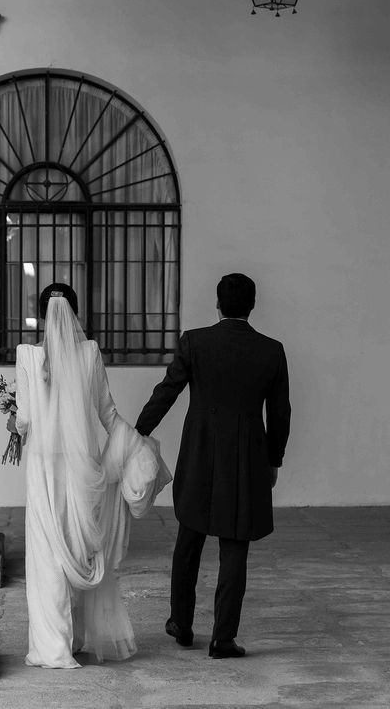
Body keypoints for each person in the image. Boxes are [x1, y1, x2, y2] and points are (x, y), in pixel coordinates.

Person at [9, 282, 171, 669]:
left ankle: (53, 647)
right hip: (82, 468)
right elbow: (108, 415)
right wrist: (135, 445)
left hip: (44, 470)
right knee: (77, 546)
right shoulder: (90, 353)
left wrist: (14, 423)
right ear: (76, 314)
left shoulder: (27, 356)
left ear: (42, 315)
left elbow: (27, 419)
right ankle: (77, 636)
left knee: (46, 554)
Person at [135, 272, 291, 659]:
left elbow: (166, 392)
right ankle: (223, 638)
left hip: (201, 454)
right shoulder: (271, 350)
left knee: (190, 538)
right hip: (247, 460)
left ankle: (181, 623)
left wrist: (137, 432)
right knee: (235, 546)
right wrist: (274, 460)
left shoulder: (195, 342)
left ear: (217, 304)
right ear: (252, 306)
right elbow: (281, 413)